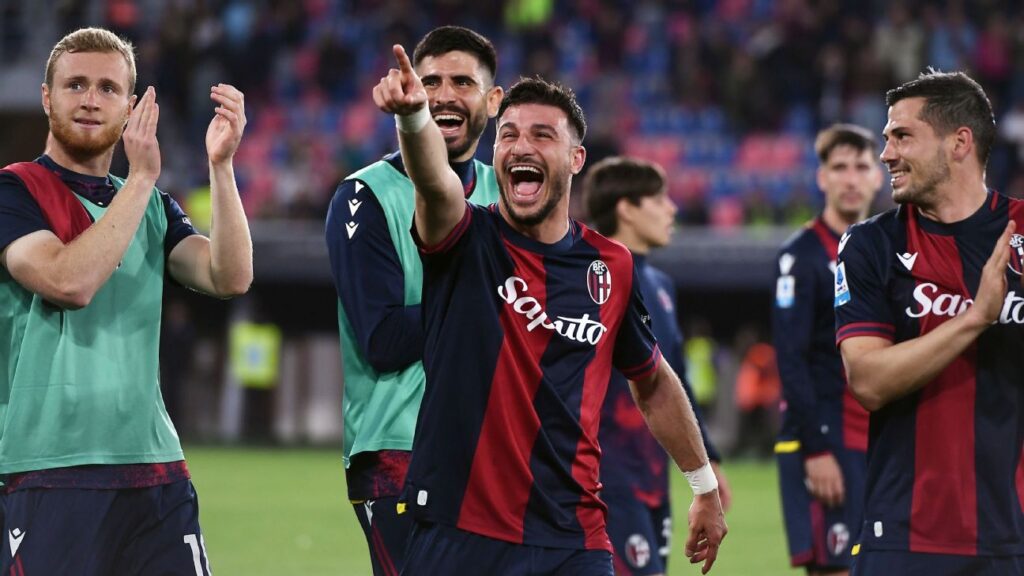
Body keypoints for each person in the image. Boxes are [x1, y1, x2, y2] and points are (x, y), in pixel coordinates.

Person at [373, 45, 727, 576]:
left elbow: (652, 380)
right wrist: (413, 118)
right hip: (458, 530)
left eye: (542, 135)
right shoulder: (465, 238)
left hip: (573, 538)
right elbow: (434, 183)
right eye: (509, 135)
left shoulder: (612, 266)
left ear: (576, 159)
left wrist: (703, 485)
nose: (521, 146)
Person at [0, 27, 251, 575]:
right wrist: (140, 179)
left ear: (131, 107)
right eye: (75, 85)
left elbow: (230, 275)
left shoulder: (152, 206)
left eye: (108, 88)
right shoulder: (14, 192)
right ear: (46, 97)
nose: (91, 100)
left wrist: (222, 166)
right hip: (51, 467)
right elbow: (69, 282)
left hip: (156, 467)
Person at [325, 25, 503, 575]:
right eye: (431, 82)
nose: (445, 95)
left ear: (493, 101)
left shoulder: (509, 192)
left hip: (501, 449)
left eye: (463, 82)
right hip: (402, 453)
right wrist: (488, 299)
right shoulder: (365, 196)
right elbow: (383, 340)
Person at [836, 70, 1024, 574]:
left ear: (959, 143)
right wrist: (975, 318)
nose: (886, 154)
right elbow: (868, 381)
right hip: (904, 537)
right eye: (887, 138)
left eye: (902, 136)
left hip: (1014, 537)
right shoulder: (871, 245)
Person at [582, 156, 731, 576]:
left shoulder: (660, 285)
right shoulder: (593, 277)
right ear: (627, 209)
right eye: (659, 198)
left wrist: (708, 460)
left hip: (652, 472)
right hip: (606, 475)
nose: (672, 208)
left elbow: (675, 380)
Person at [773, 124, 882, 575]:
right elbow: (790, 357)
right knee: (835, 568)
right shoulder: (801, 256)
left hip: (878, 438)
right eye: (839, 168)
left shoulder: (885, 249)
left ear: (877, 175)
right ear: (822, 178)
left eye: (861, 166)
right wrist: (815, 448)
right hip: (829, 437)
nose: (851, 179)